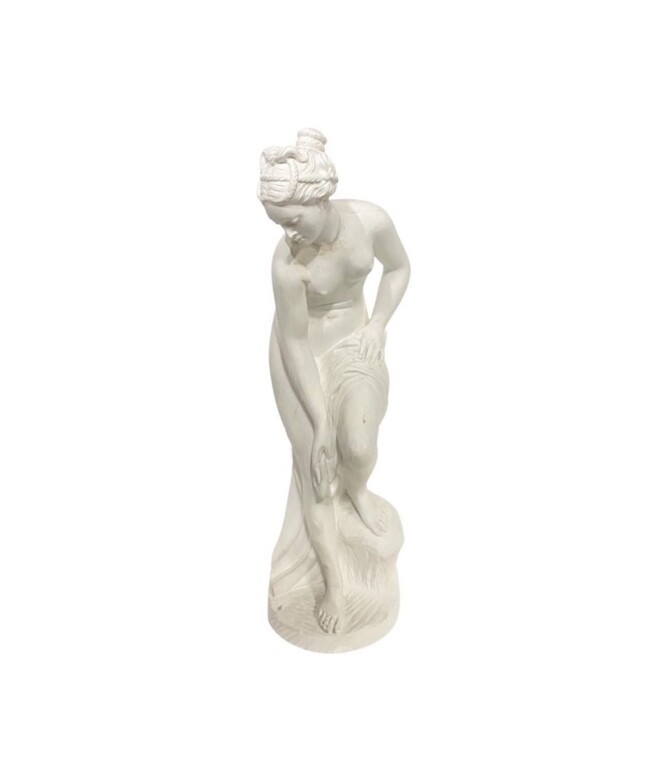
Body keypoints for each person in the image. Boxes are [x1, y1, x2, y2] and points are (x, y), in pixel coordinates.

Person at [259, 128, 410, 635]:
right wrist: (320, 423)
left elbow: (398, 268)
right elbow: (295, 341)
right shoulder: (287, 267)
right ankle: (335, 584)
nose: (289, 235)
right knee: (319, 472)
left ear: (319, 199)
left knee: (359, 449)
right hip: (298, 357)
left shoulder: (371, 221)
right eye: (280, 225)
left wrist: (378, 324)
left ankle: (359, 491)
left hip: (353, 344)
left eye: (293, 221)